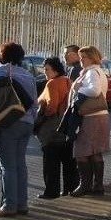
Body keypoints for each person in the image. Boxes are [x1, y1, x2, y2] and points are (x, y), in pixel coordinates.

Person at [0, 42, 37, 218]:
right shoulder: (28, 74)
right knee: (20, 164)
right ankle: (22, 204)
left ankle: (9, 205)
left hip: (9, 121)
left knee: (7, 166)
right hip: (27, 122)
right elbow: (34, 101)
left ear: (2, 55)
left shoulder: (2, 71)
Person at [69, 45, 110, 197]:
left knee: (81, 152)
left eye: (83, 57)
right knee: (95, 152)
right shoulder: (97, 71)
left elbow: (95, 91)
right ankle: (97, 185)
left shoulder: (92, 72)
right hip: (99, 116)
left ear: (91, 58)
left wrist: (78, 89)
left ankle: (85, 185)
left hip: (91, 117)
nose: (80, 60)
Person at [36, 57, 78, 199]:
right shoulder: (67, 81)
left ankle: (51, 192)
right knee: (68, 161)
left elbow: (52, 107)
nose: (45, 72)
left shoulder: (52, 84)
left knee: (51, 163)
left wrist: (41, 119)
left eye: (47, 69)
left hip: (52, 128)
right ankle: (70, 188)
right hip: (66, 126)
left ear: (55, 69)